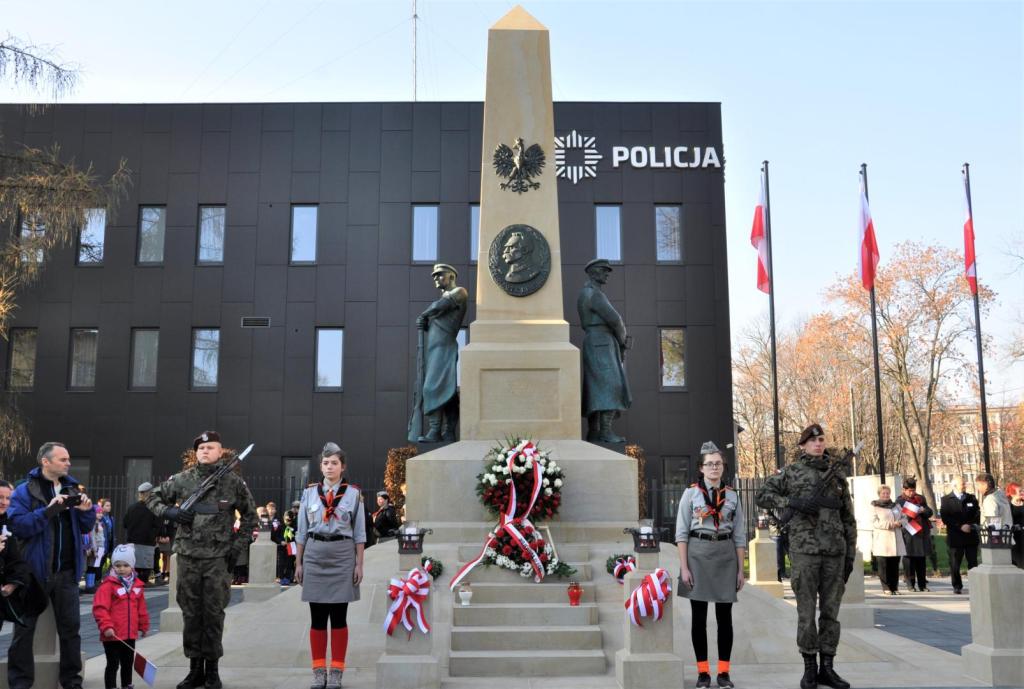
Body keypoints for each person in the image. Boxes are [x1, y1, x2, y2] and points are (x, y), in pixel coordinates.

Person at [146, 430, 258, 689]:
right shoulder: (182, 480)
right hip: (188, 556)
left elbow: (250, 517)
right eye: (201, 448)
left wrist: (237, 547)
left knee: (213, 614)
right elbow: (151, 497)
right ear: (196, 453)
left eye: (211, 447)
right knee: (190, 613)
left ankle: (212, 670)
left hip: (218, 559)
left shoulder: (233, 483)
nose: (205, 451)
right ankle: (194, 668)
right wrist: (171, 512)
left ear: (221, 452)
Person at [756, 423, 856, 689]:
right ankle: (809, 668)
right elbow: (763, 495)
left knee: (831, 614)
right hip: (804, 552)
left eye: (821, 440)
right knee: (806, 612)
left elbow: (848, 519)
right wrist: (791, 502)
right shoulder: (791, 473)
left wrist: (850, 556)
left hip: (835, 552)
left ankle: (828, 668)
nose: (818, 444)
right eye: (813, 441)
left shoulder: (837, 477)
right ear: (803, 445)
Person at [6, 441, 97, 689]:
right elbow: (19, 526)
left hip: (66, 574)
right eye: (63, 459)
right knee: (24, 632)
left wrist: (86, 510)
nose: (68, 463)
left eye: (68, 459)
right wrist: (48, 511)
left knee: (71, 632)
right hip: (33, 574)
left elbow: (86, 527)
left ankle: (71, 682)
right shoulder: (26, 491)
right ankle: (20, 683)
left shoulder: (73, 487)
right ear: (45, 462)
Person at [295, 442, 366, 689]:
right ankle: (318, 671)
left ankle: (336, 671)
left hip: (342, 556)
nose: (329, 467)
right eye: (325, 463)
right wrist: (299, 562)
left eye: (334, 463)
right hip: (314, 555)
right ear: (320, 466)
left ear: (342, 467)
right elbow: (301, 531)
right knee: (316, 618)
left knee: (338, 617)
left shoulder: (354, 494)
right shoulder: (309, 493)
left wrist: (359, 565)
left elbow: (360, 533)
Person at [675, 441, 746, 689]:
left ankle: (724, 673)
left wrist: (741, 569)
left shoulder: (733, 497)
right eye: (709, 464)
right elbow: (681, 533)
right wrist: (683, 567)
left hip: (725, 556)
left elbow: (739, 536)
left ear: (723, 467)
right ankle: (703, 672)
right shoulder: (690, 495)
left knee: (725, 618)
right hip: (698, 556)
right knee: (699, 618)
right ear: (701, 468)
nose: (714, 467)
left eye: (718, 463)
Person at [409, 263, 468, 443]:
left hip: (444, 349)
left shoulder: (459, 292)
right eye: (434, 276)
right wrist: (425, 323)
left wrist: (424, 315)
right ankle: (448, 432)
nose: (435, 278)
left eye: (439, 275)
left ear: (451, 275)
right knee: (447, 391)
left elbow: (440, 305)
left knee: (431, 388)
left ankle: (435, 431)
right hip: (434, 350)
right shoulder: (442, 302)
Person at [578, 258, 632, 443]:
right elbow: (616, 320)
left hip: (595, 342)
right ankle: (605, 431)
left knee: (596, 387)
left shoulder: (588, 293)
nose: (608, 273)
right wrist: (623, 342)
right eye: (604, 270)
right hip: (601, 342)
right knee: (611, 385)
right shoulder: (594, 294)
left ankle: (594, 431)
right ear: (593, 272)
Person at [93, 544, 150, 689]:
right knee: (113, 664)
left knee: (127, 663)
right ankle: (111, 686)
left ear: (132, 566)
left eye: (125, 565)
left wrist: (143, 625)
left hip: (129, 635)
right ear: (113, 566)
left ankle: (127, 685)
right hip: (112, 635)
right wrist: (106, 626)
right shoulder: (107, 586)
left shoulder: (137, 585)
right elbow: (100, 608)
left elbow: (141, 608)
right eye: (118, 565)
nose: (122, 568)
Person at [0, 479, 40, 633]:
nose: (4, 502)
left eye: (8, 498)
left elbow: (15, 558)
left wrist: (14, 583)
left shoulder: (7, 524)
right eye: (0, 497)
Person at [939, 476, 980, 594]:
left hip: (970, 536)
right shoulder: (946, 500)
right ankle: (957, 585)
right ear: (955, 486)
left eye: (964, 483)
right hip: (955, 537)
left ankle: (974, 585)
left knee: (973, 562)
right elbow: (946, 517)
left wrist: (969, 525)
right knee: (955, 563)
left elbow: (977, 514)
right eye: (962, 484)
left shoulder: (971, 498)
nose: (965, 485)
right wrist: (960, 526)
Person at [895, 477, 932, 592]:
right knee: (909, 559)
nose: (912, 493)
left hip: (921, 532)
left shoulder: (920, 498)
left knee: (921, 559)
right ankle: (910, 583)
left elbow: (929, 511)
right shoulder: (900, 501)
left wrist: (923, 511)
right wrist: (918, 510)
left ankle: (922, 584)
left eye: (913, 490)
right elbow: (906, 515)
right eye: (909, 491)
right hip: (909, 532)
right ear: (904, 490)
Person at [871, 485, 906, 595]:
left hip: (896, 539)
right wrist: (891, 524)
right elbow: (875, 522)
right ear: (879, 494)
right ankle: (886, 587)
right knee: (884, 566)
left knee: (894, 565)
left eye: (887, 493)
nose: (886, 495)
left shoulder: (896, 506)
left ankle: (894, 587)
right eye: (883, 493)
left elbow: (904, 517)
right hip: (883, 541)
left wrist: (901, 523)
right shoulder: (875, 506)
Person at [124, 482, 161, 583]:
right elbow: (158, 525)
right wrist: (154, 536)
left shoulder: (131, 508)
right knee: (145, 571)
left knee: (134, 569)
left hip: (133, 543)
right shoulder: (153, 508)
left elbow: (125, 524)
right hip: (147, 543)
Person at [1006, 482, 1024, 569]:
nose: (1022, 492)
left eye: (1022, 490)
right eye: (1020, 491)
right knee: (1017, 563)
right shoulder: (1008, 506)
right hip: (1016, 538)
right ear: (1012, 493)